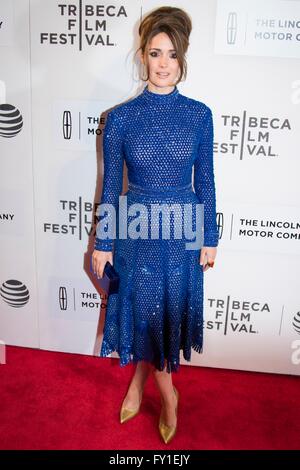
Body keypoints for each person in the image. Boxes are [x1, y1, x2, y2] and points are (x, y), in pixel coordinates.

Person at [91, 6, 218, 444]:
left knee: (163, 317)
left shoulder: (200, 115)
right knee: (144, 316)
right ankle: (148, 385)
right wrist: (103, 241)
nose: (164, 63)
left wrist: (210, 237)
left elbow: (205, 181)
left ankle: (164, 393)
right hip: (135, 231)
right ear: (142, 56)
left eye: (172, 55)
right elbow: (110, 187)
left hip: (181, 230)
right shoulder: (120, 118)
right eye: (155, 53)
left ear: (182, 60)